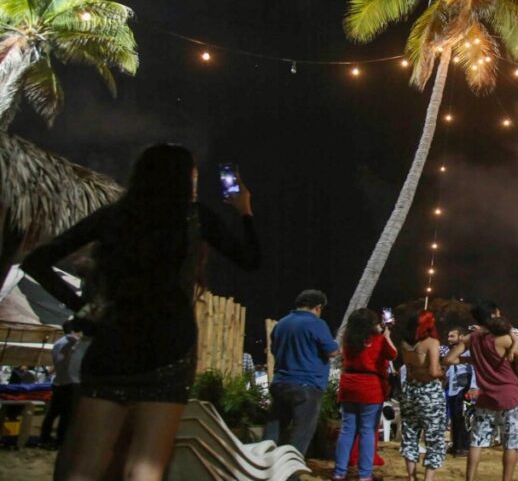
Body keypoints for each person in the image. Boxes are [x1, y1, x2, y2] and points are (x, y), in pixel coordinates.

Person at [22, 143, 259, 481]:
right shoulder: (195, 219)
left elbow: (36, 261)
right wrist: (244, 211)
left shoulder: (115, 216)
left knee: (85, 467)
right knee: (146, 467)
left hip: (111, 345)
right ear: (184, 179)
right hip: (169, 348)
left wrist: (82, 308)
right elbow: (251, 260)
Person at [444, 301, 518, 481]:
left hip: (486, 397)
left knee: (477, 442)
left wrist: (472, 361)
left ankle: (470, 478)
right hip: (512, 396)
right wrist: (514, 344)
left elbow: (449, 359)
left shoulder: (471, 338)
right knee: (511, 444)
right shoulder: (503, 339)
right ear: (493, 316)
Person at [265, 289, 340, 456]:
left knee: (274, 428)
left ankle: (264, 464)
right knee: (301, 433)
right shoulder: (316, 324)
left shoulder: (281, 324)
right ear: (318, 307)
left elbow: (274, 350)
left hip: (280, 383)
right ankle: (291, 472)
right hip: (307, 385)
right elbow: (332, 351)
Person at [334, 308, 397, 481]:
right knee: (368, 430)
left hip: (349, 385)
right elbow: (393, 354)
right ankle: (364, 475)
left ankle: (339, 472)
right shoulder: (377, 339)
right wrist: (386, 335)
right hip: (370, 387)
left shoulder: (348, 339)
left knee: (347, 430)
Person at [398, 311, 447, 481]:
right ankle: (428, 478)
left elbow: (409, 370)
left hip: (410, 390)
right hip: (429, 392)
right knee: (434, 437)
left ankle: (411, 477)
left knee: (410, 433)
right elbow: (434, 371)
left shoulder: (405, 344)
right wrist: (443, 373)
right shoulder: (431, 343)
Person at [39, 319, 81, 448]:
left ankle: (45, 437)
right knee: (66, 415)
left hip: (58, 382)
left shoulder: (58, 343)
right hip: (69, 383)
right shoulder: (72, 343)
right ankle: (60, 440)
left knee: (53, 412)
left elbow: (58, 361)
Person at [445, 327, 477, 457]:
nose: (449, 339)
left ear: (461, 337)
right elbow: (450, 369)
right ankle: (456, 444)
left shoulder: (468, 351)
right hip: (453, 389)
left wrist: (473, 386)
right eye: (448, 336)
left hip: (464, 388)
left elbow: (475, 368)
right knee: (455, 417)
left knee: (464, 418)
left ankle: (464, 447)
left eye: (452, 336)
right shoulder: (452, 351)